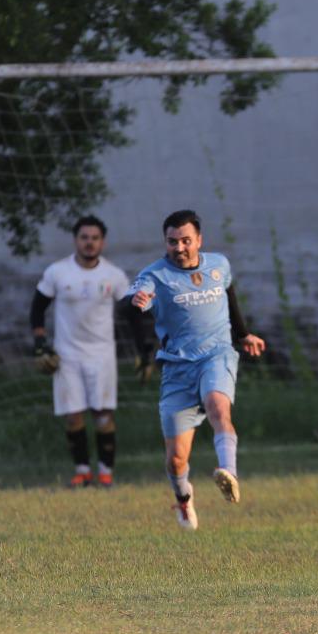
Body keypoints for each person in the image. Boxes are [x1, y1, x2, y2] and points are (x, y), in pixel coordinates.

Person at [128, 210, 265, 531]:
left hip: (216, 355)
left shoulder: (219, 264)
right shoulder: (154, 275)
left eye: (186, 240)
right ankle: (183, 498)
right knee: (176, 459)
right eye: (172, 241)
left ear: (199, 240)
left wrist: (243, 334)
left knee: (219, 407)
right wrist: (139, 300)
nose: (179, 247)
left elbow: (229, 295)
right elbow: (136, 301)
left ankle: (228, 471)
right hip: (177, 369)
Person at [30, 216, 132, 487]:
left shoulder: (114, 275)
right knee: (73, 415)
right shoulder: (58, 272)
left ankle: (106, 472)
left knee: (102, 415)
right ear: (76, 240)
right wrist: (40, 343)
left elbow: (133, 311)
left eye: (95, 238)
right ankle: (83, 471)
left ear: (103, 242)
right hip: (67, 355)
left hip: (101, 354)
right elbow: (38, 307)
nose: (89, 243)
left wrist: (145, 349)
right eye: (84, 238)